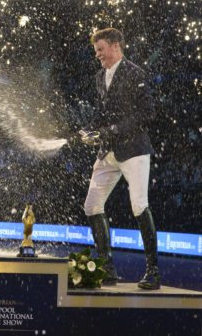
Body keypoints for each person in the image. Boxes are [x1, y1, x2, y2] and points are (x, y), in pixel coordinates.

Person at [81, 27, 160, 290]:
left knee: (139, 205)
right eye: (96, 51)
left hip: (134, 150)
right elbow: (102, 114)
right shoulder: (98, 77)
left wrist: (112, 130)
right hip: (108, 152)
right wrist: (89, 130)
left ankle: (153, 271)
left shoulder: (136, 73)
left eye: (100, 50)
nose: (98, 55)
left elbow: (147, 114)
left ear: (115, 46)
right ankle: (107, 268)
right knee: (92, 205)